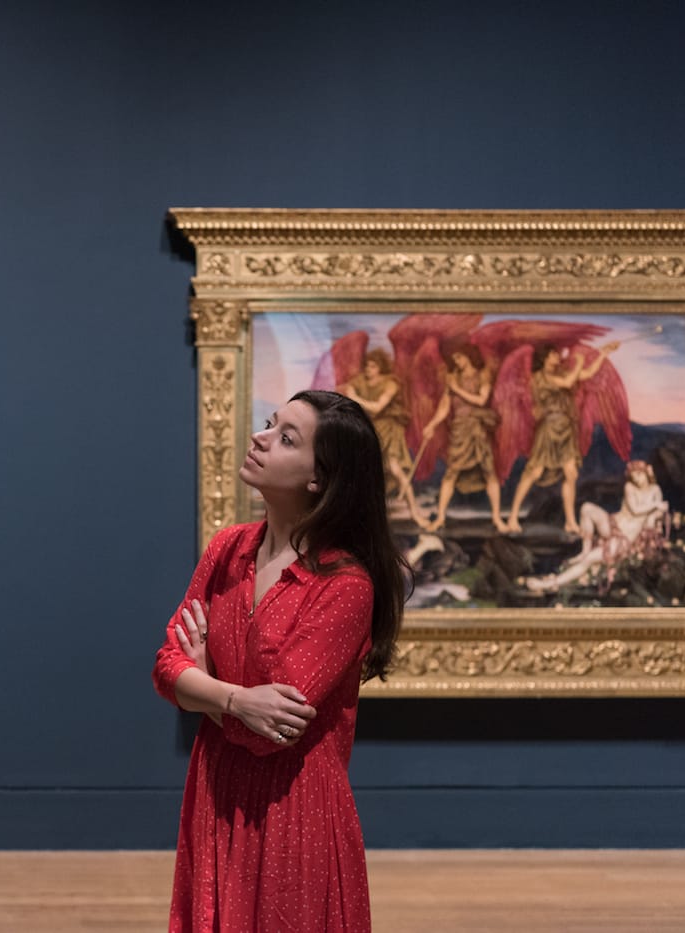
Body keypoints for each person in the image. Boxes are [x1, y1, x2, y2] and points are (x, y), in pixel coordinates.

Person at [152, 389, 406, 933]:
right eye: (270, 423)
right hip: (215, 791)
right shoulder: (227, 549)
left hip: (294, 811)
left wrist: (205, 684)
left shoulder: (345, 586)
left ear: (319, 478)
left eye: (285, 437)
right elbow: (167, 669)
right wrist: (237, 699)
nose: (259, 437)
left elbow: (273, 732)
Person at [507, 341, 619, 534]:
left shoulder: (561, 373)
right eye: (553, 354)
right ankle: (512, 517)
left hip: (566, 429)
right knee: (534, 473)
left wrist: (603, 354)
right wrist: (579, 363)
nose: (557, 356)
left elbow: (586, 374)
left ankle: (570, 521)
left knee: (571, 473)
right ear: (544, 358)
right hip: (549, 429)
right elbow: (568, 383)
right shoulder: (538, 378)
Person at [525, 460, 670, 593]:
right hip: (612, 524)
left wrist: (656, 514)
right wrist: (656, 505)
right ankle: (585, 550)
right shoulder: (630, 487)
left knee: (589, 560)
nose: (637, 479)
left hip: (623, 540)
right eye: (634, 476)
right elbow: (635, 509)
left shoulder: (655, 490)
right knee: (586, 508)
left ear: (647, 473)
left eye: (639, 475)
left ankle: (550, 584)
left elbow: (654, 518)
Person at [337, 348, 430, 529]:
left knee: (395, 469)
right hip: (371, 430)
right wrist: (348, 392)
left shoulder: (390, 383)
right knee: (363, 472)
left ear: (380, 367)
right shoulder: (360, 382)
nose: (368, 369)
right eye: (367, 365)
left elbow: (378, 407)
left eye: (373, 366)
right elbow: (343, 391)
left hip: (388, 429)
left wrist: (354, 397)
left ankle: (415, 514)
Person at [421, 344, 507, 533]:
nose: (457, 362)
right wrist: (432, 425)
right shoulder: (453, 378)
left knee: (489, 471)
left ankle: (497, 518)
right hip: (460, 430)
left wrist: (457, 390)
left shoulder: (482, 375)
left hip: (477, 429)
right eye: (454, 359)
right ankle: (441, 517)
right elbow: (444, 407)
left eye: (459, 357)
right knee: (451, 472)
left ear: (468, 356)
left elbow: (481, 400)